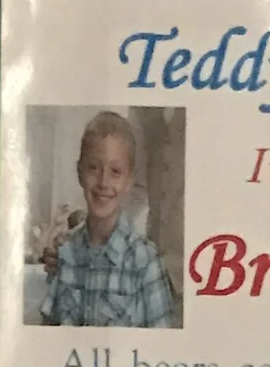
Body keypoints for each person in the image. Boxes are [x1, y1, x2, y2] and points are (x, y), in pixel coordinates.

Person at [41, 110, 176, 327]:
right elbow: (47, 333)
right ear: (79, 172)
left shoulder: (146, 262)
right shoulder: (65, 253)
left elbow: (161, 343)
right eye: (94, 168)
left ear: (129, 180)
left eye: (115, 171)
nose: (104, 182)